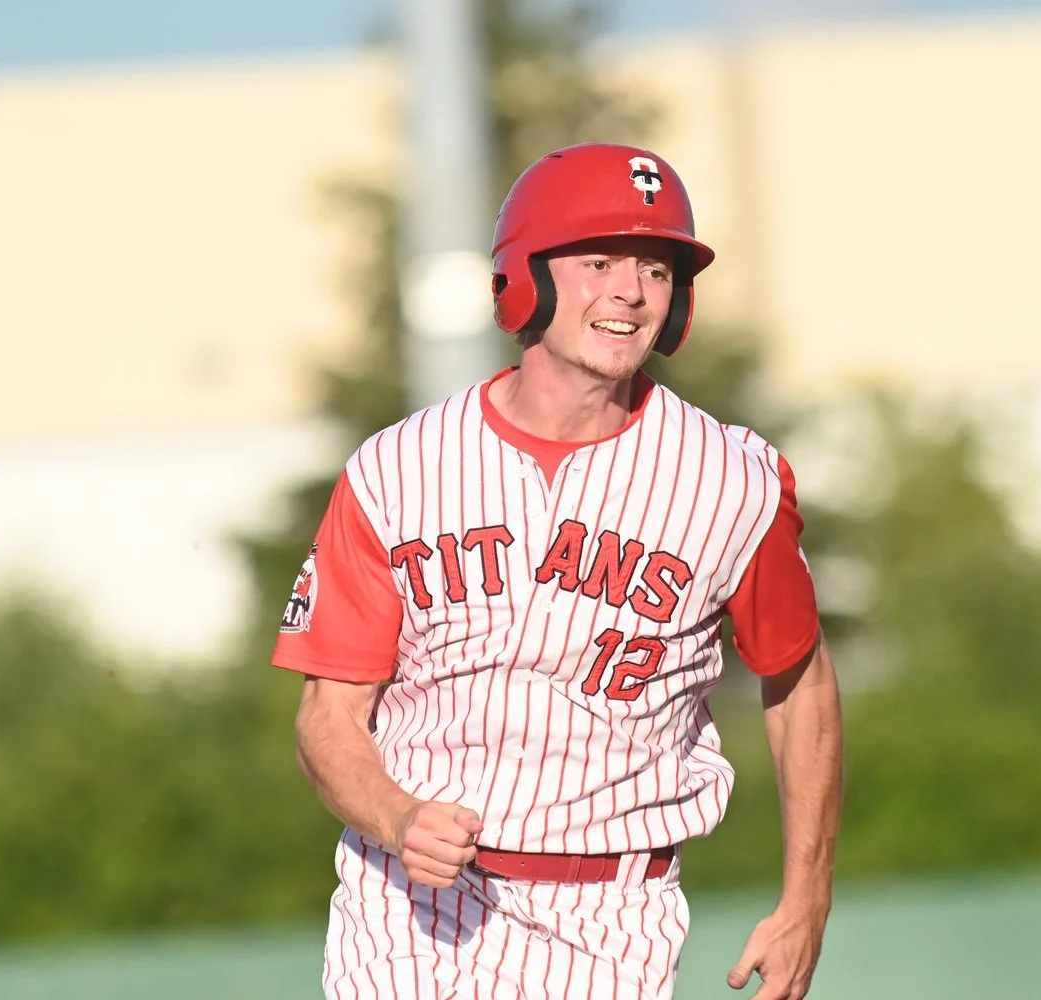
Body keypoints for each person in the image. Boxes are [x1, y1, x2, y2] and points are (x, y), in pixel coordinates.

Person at [273, 141, 844, 1000]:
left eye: (657, 270)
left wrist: (808, 899)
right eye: (599, 261)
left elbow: (801, 684)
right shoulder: (396, 470)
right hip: (406, 905)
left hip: (611, 919)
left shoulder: (731, 482)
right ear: (526, 278)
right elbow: (328, 715)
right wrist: (396, 816)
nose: (630, 291)